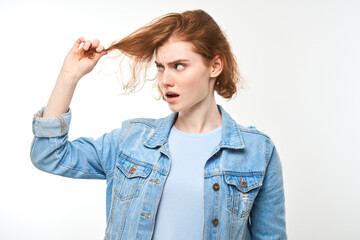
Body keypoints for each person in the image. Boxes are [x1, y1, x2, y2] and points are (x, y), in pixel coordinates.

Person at [31, 9, 287, 240]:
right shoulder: (131, 141)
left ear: (215, 66)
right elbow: (49, 155)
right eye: (161, 68)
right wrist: (69, 76)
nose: (166, 79)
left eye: (179, 66)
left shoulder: (257, 152)